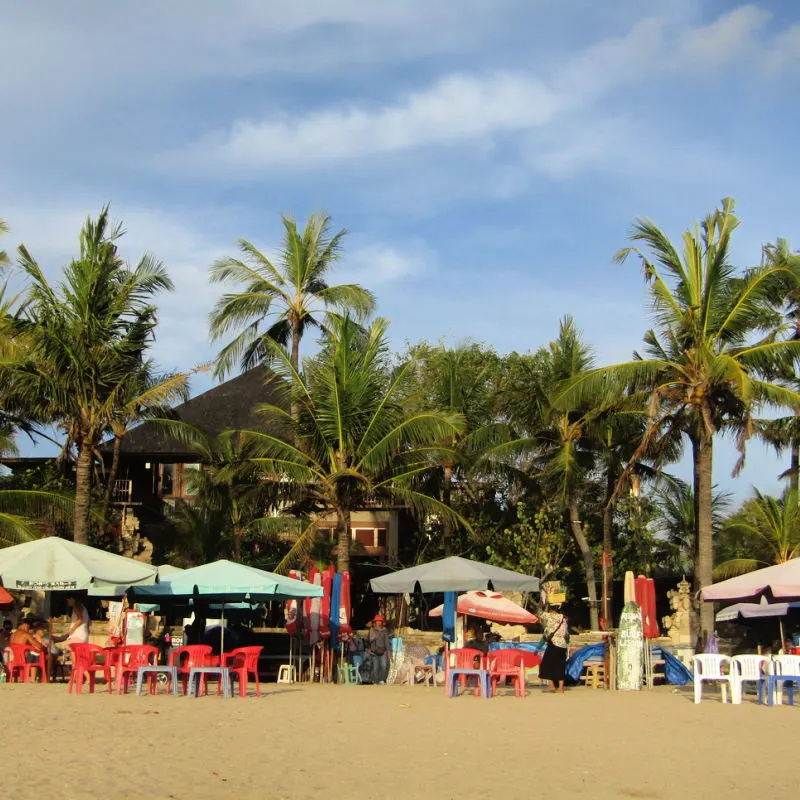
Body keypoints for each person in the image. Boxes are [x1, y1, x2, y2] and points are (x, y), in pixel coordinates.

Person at [539, 607, 569, 693]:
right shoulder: (564, 619)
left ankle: (551, 686)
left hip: (554, 644)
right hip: (562, 645)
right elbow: (566, 634)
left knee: (547, 664)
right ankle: (561, 688)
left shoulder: (551, 617)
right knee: (560, 666)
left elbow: (540, 613)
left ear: (553, 611)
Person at [367, 614, 391, 684]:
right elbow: (368, 640)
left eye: (380, 621)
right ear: (375, 622)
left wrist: (389, 652)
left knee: (384, 666)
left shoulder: (385, 630)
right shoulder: (371, 630)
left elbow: (386, 642)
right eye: (377, 621)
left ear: (382, 622)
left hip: (383, 651)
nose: (378, 622)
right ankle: (376, 681)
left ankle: (382, 680)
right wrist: (369, 648)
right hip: (374, 651)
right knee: (375, 667)